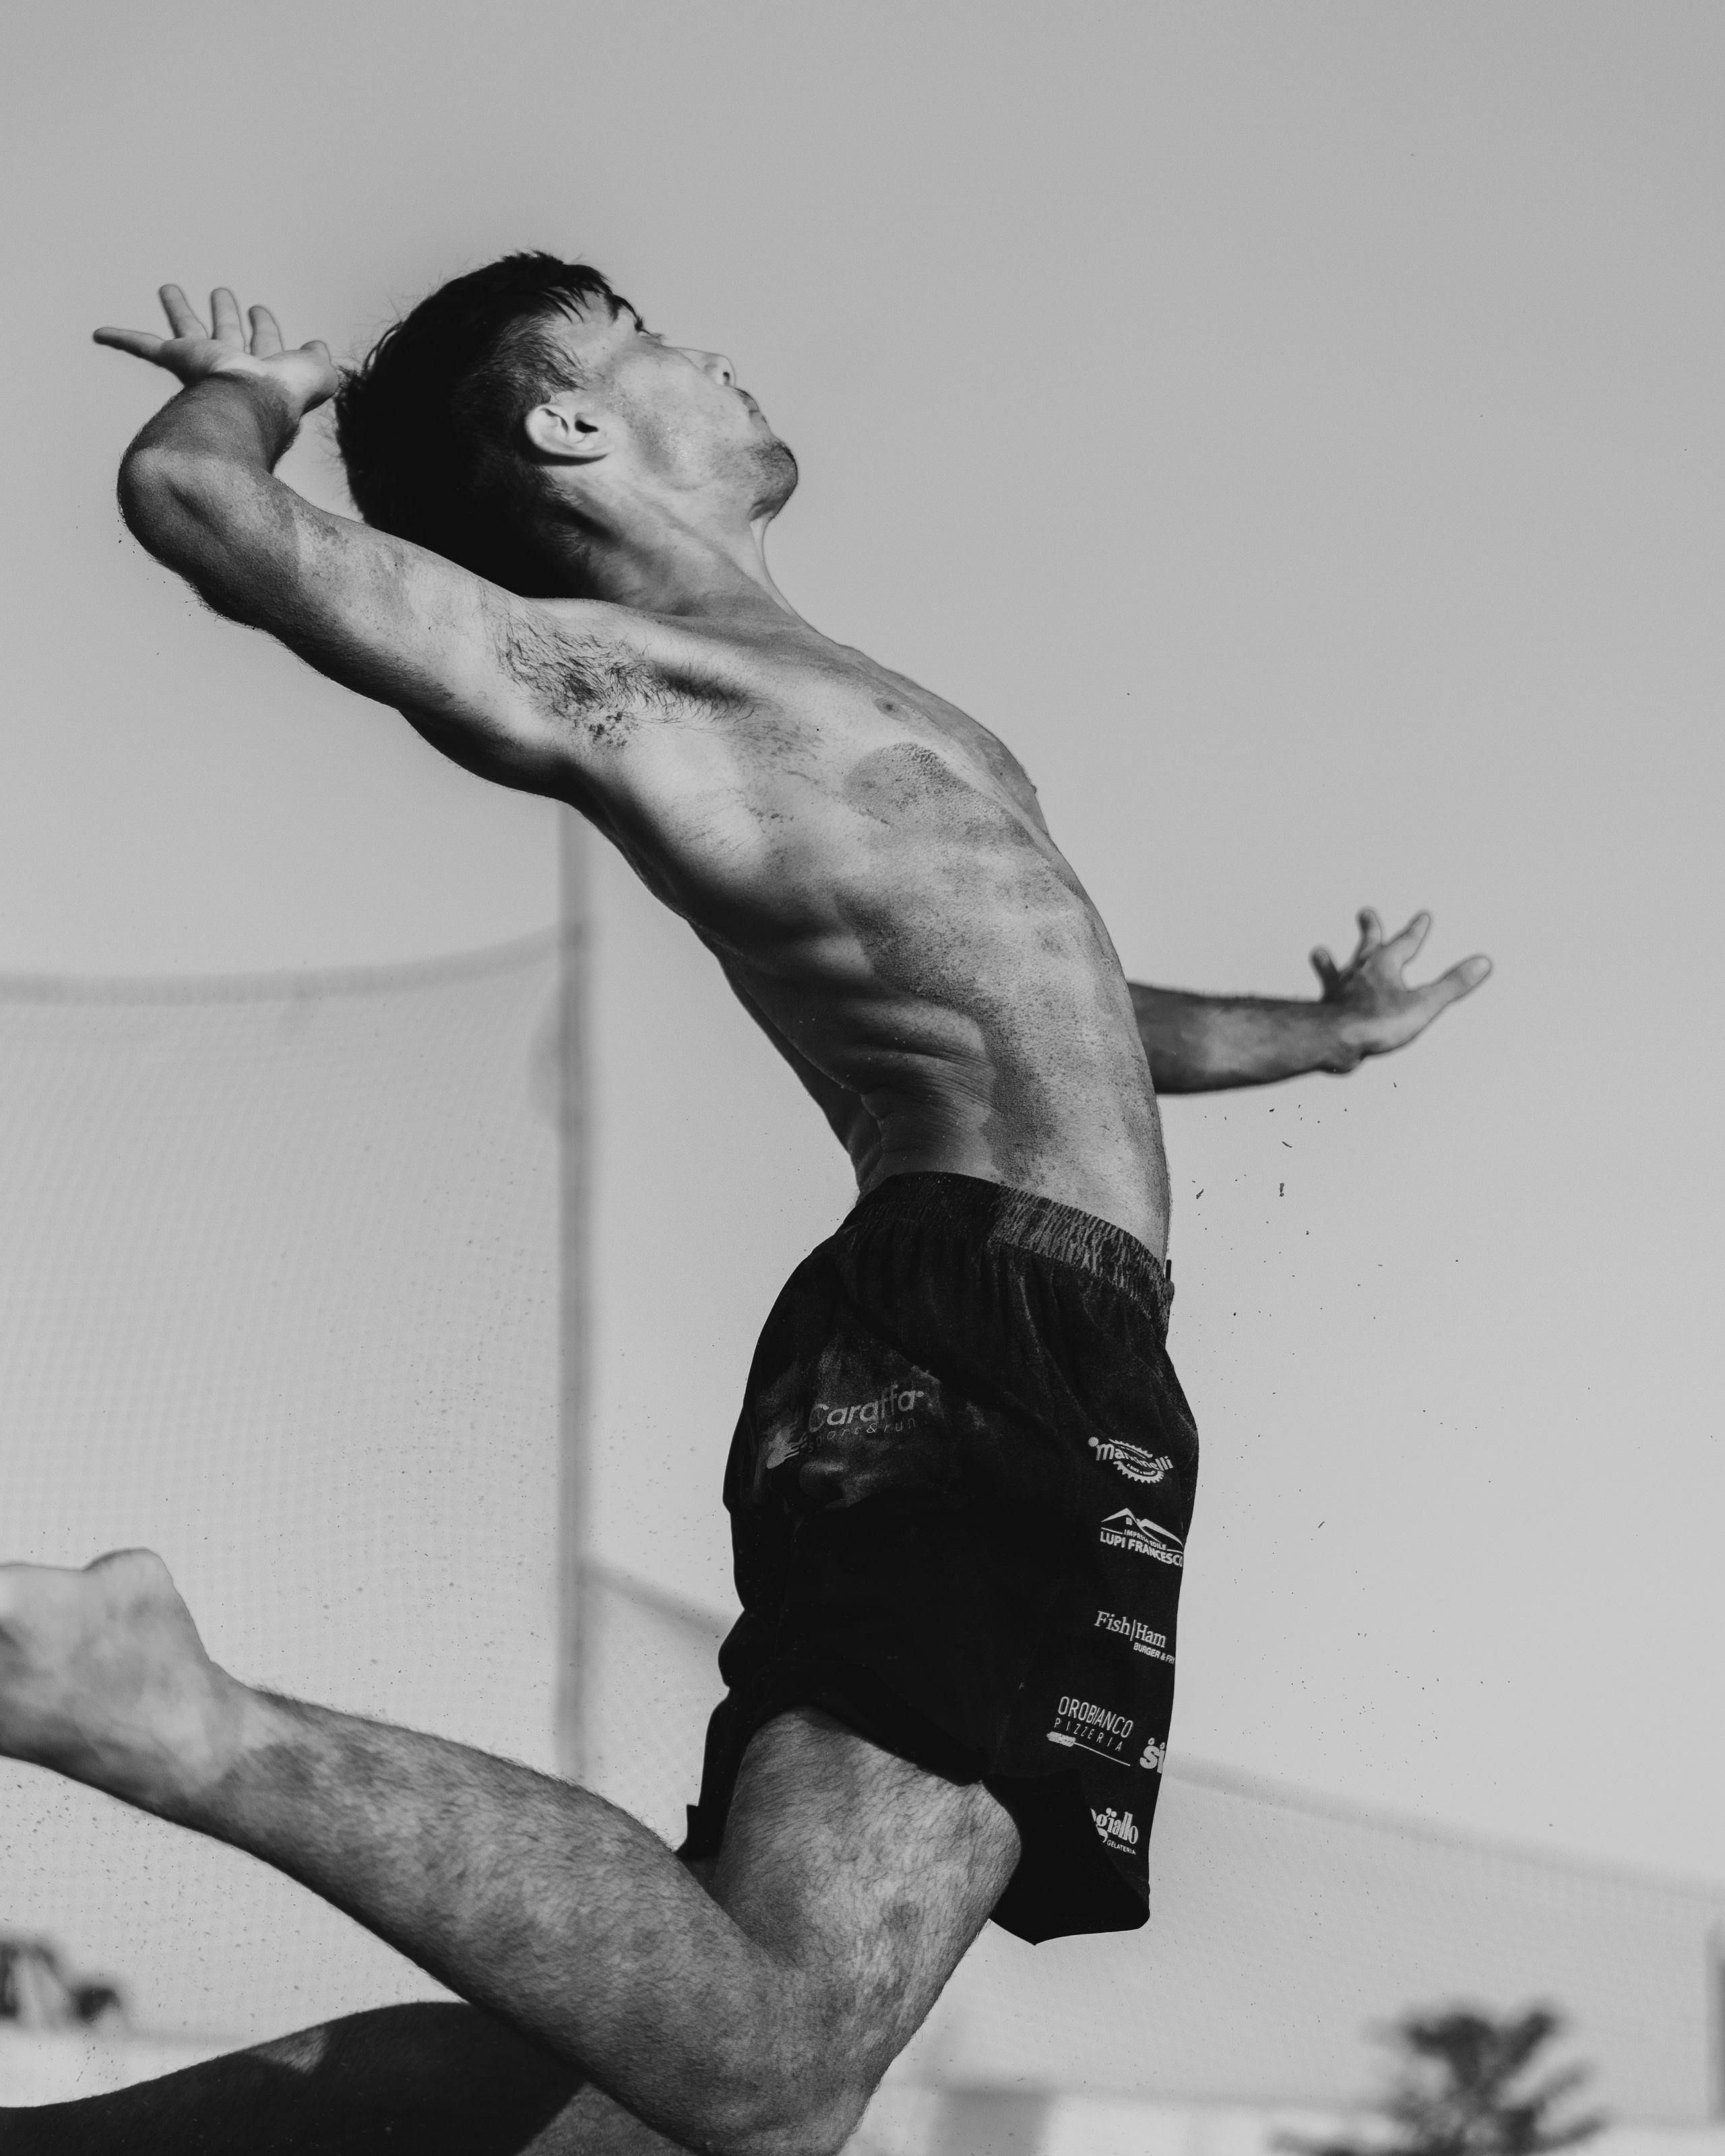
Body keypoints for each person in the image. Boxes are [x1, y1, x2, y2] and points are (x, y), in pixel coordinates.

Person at [0, 259, 1488, 2155]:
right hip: (969, 1331)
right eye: (648, 335)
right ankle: (178, 1721)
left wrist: (1327, 1037)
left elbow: (1068, 1017)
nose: (712, 345)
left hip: (1052, 1335)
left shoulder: (834, 700)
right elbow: (202, 508)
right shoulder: (639, 689)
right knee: (771, 2072)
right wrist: (258, 391)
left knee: (653, 2091)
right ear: (573, 427)